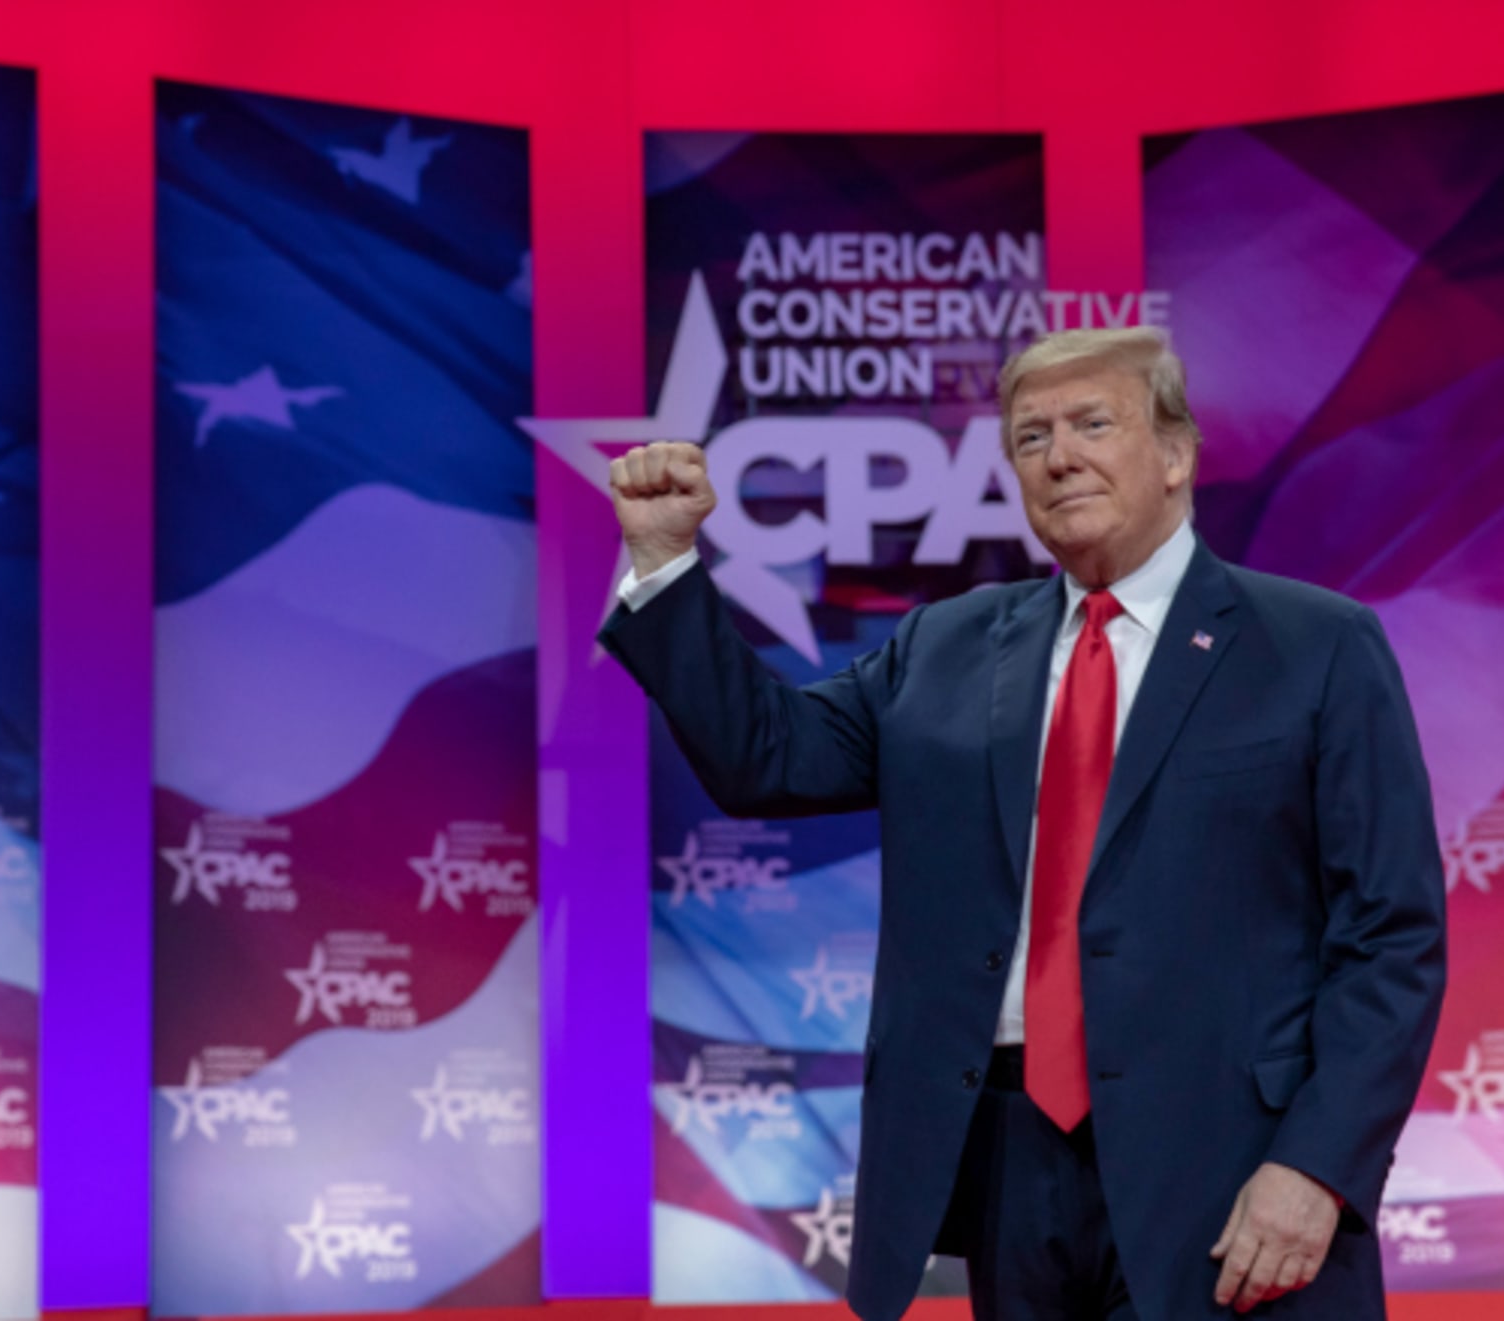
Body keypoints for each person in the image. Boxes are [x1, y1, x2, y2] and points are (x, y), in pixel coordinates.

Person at [600, 326, 1446, 1320]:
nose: (1058, 455)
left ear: (1174, 455)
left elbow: (1391, 933)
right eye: (1029, 435)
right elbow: (766, 756)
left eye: (1092, 423)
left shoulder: (1314, 646)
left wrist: (1316, 1162)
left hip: (1228, 1158)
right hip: (1007, 1153)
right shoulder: (945, 645)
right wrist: (662, 563)